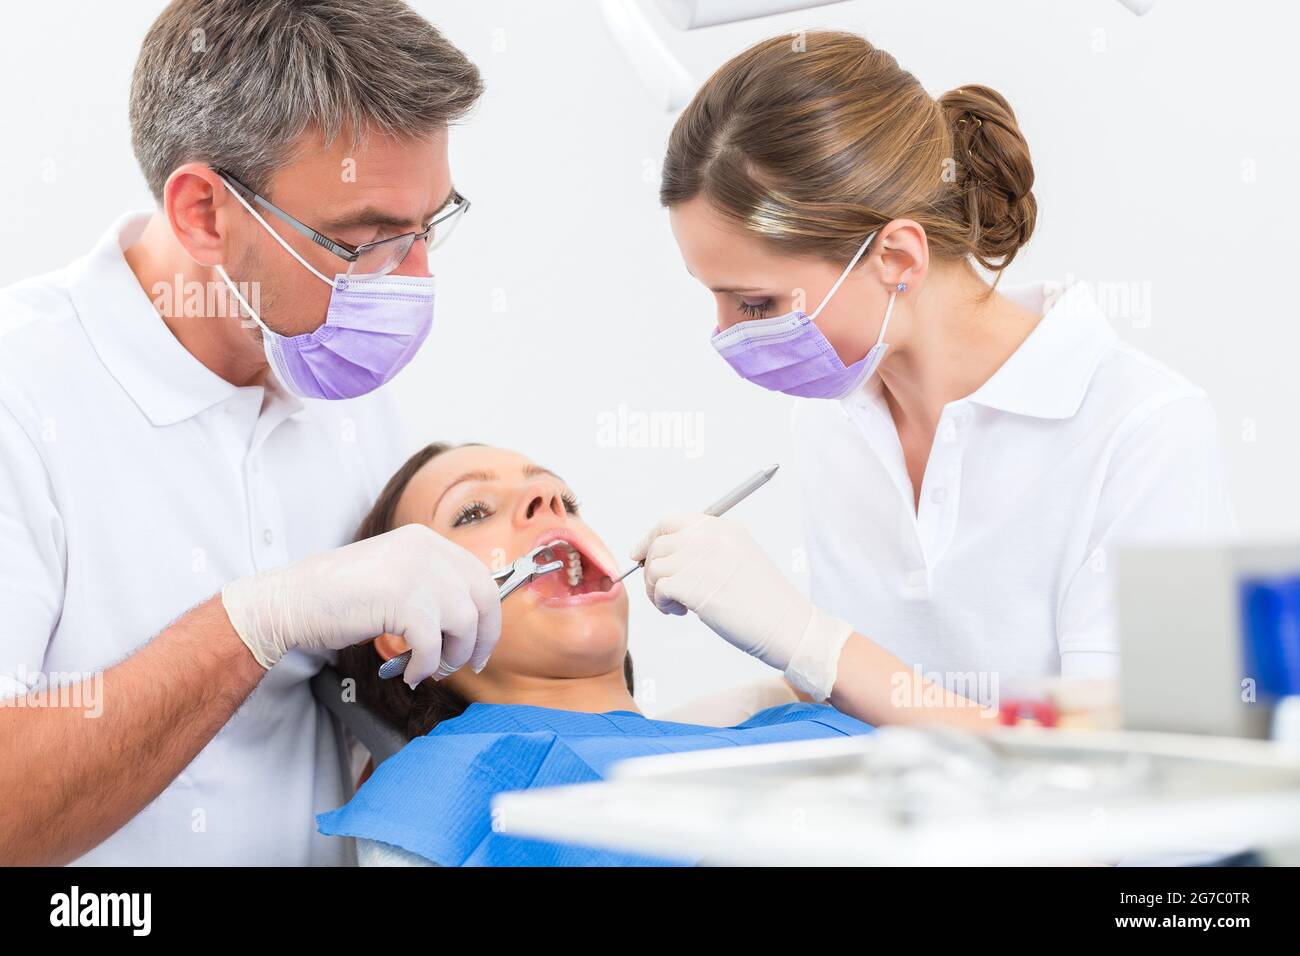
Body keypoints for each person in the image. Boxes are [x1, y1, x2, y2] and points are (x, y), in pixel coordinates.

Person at [0, 0, 499, 865]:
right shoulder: (26, 397)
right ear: (202, 213)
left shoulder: (340, 384)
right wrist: (254, 622)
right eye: (367, 241)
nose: (413, 284)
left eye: (429, 228)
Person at [632, 31, 1235, 728]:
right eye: (714, 297)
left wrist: (811, 643)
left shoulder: (1145, 431)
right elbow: (882, 717)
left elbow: (1131, 781)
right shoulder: (834, 418)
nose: (726, 333)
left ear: (895, 257)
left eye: (756, 303)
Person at [322, 442, 874, 866]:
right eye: (472, 512)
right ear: (405, 630)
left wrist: (813, 644)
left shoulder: (795, 719)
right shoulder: (445, 786)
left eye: (566, 498)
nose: (551, 501)